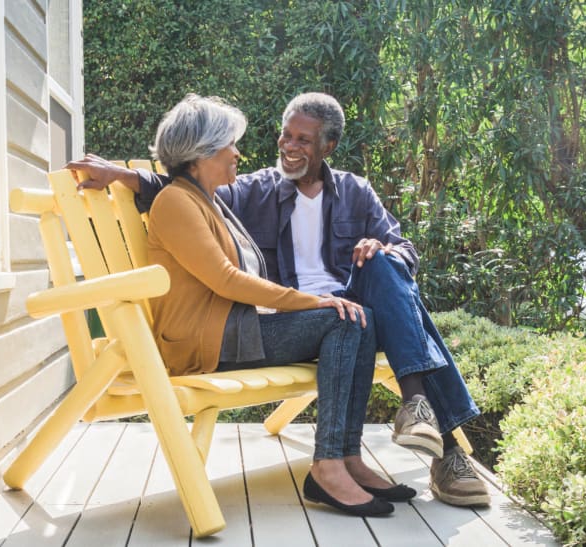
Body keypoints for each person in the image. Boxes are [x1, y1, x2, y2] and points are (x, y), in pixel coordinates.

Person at [67, 92, 490, 508]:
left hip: (327, 306)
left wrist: (381, 252)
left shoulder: (355, 192)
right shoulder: (244, 193)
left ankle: (366, 443)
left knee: (384, 270)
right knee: (355, 317)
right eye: (284, 136)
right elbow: (188, 202)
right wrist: (125, 176)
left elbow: (404, 251)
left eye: (303, 140)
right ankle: (419, 448)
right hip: (256, 323)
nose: (285, 146)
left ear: (330, 146)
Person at [138, 93, 420, 517]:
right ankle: (328, 464)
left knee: (358, 317)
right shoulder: (178, 202)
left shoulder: (208, 200)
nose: (238, 152)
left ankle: (346, 457)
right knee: (343, 320)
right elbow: (227, 281)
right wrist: (312, 302)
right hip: (206, 345)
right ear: (201, 154)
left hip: (233, 332)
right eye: (230, 144)